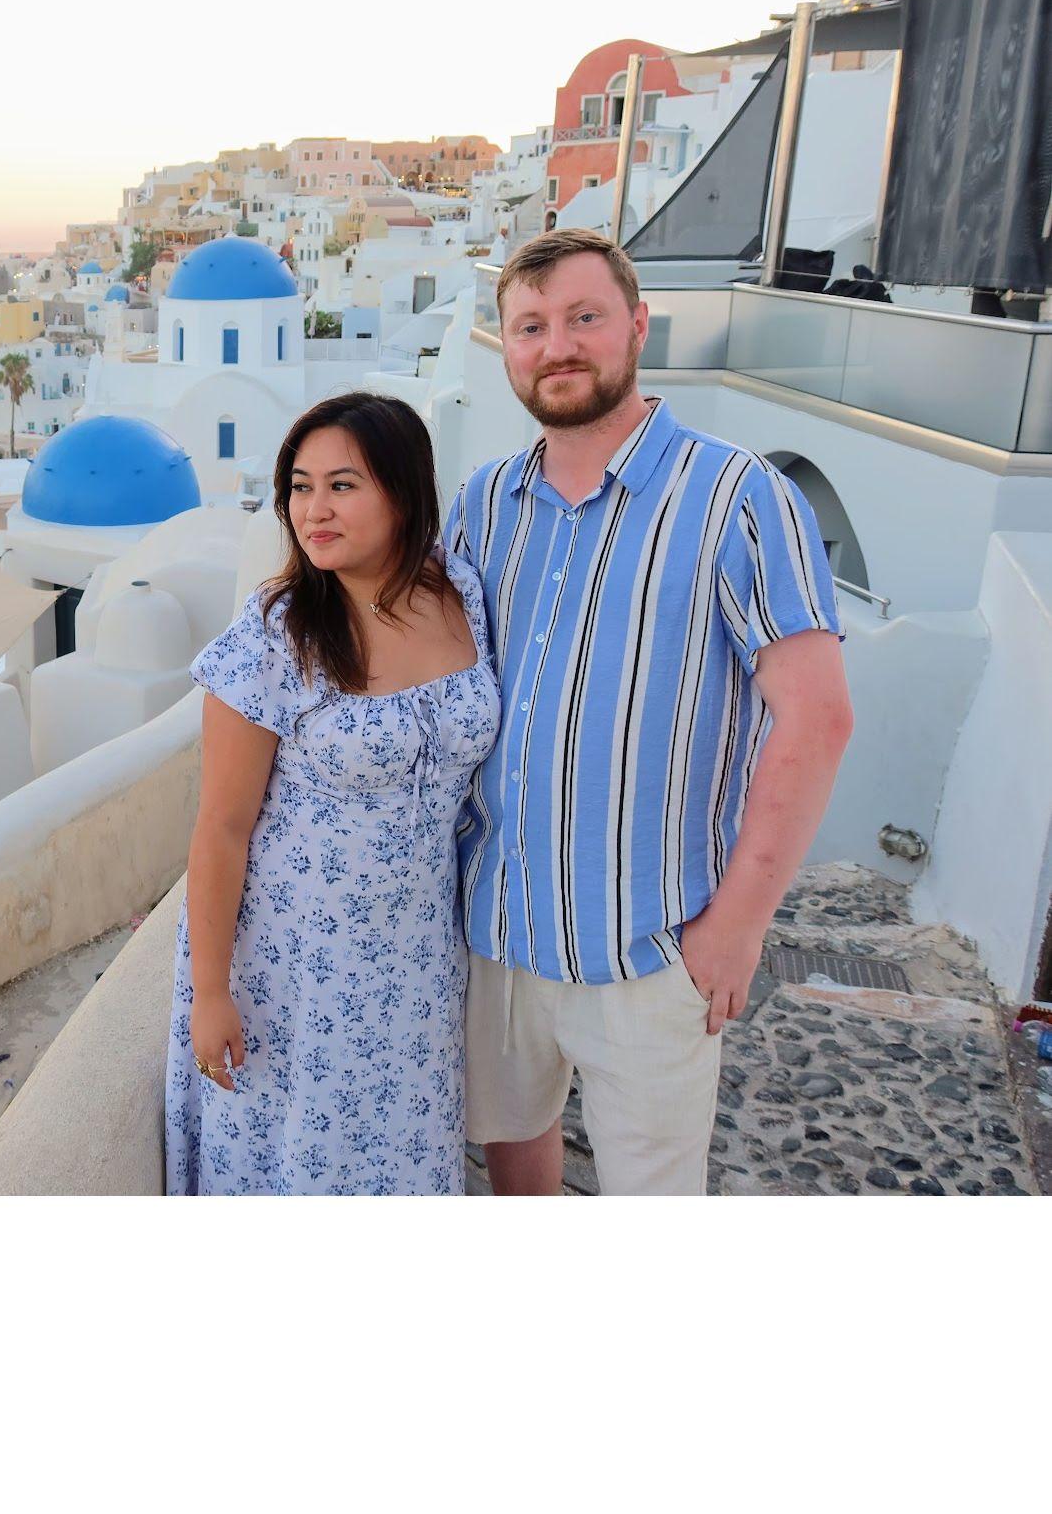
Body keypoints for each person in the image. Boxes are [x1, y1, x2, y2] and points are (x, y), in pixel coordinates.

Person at [447, 227, 854, 1196]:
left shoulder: (736, 497)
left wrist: (739, 924)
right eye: (529, 326)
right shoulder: (481, 503)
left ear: (635, 324)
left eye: (582, 317)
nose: (556, 346)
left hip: (648, 941)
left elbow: (816, 717)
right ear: (503, 346)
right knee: (513, 1156)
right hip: (497, 927)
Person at [165, 392, 500, 1195]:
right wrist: (211, 993)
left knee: (401, 1154)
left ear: (402, 490)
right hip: (295, 968)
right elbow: (221, 828)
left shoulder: (461, 590)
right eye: (299, 485)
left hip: (418, 956)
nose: (313, 509)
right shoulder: (275, 635)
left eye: (342, 485)